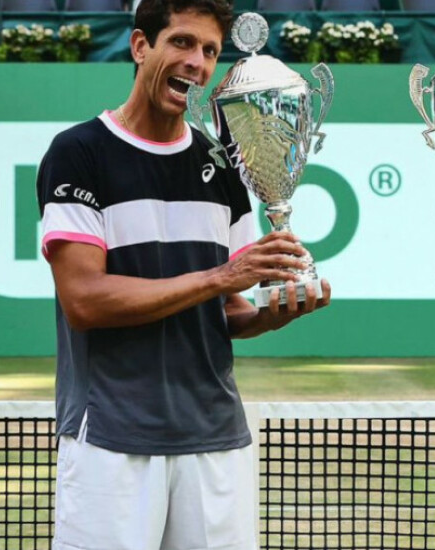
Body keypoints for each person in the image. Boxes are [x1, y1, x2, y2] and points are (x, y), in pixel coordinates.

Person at [36, 0, 330, 548]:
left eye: (210, 51)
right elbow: (84, 300)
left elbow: (230, 311)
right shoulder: (78, 153)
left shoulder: (225, 166)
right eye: (182, 42)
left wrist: (273, 313)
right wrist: (221, 277)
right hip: (110, 441)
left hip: (215, 440)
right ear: (141, 46)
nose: (197, 62)